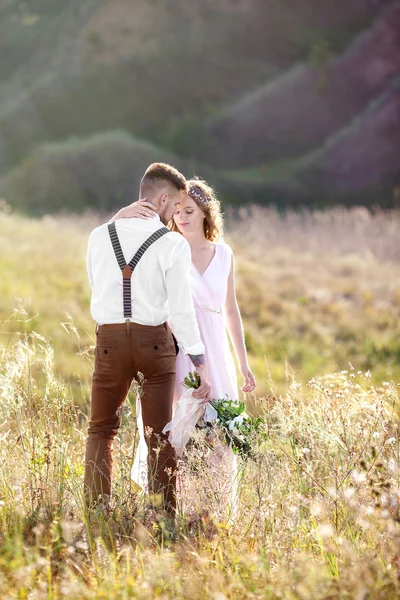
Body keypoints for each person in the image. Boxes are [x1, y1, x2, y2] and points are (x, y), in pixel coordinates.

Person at [111, 177, 256, 518]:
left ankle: (215, 512)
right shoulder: (166, 248)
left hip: (216, 349)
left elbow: (231, 310)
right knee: (179, 429)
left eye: (189, 210)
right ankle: (177, 508)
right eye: (177, 211)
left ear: (206, 213)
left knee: (220, 428)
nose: (182, 218)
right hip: (177, 348)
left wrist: (243, 363)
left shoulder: (224, 254)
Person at [85, 163, 211, 517]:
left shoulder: (99, 235)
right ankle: (162, 516)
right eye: (174, 208)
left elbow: (97, 284)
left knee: (100, 429)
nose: (175, 217)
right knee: (159, 434)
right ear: (163, 199)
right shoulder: (172, 243)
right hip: (154, 342)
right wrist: (200, 363)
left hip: (109, 339)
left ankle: (96, 512)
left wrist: (115, 221)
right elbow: (181, 310)